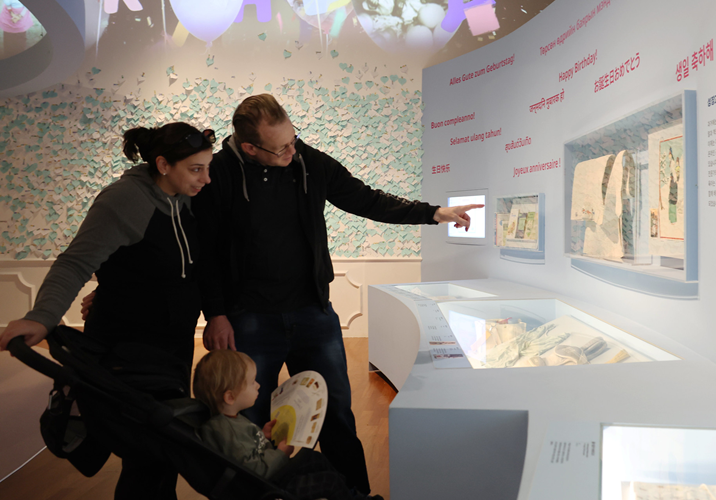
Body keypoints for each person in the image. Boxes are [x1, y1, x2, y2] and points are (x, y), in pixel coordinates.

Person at [193, 93, 482, 495]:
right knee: (250, 421)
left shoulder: (308, 161)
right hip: (249, 317)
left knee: (336, 416)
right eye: (281, 148)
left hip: (313, 313)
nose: (293, 151)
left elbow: (365, 198)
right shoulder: (220, 174)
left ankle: (355, 495)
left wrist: (433, 213)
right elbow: (203, 250)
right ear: (249, 148)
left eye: (294, 139)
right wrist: (217, 313)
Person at [0, 122, 216, 500]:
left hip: (172, 348)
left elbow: (152, 264)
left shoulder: (183, 197)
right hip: (129, 352)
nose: (206, 178)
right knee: (150, 455)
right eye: (196, 169)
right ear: (163, 164)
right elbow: (75, 263)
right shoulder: (126, 199)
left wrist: (112, 285)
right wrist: (41, 317)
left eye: (207, 167)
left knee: (163, 454)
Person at [193, 349, 379, 500]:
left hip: (272, 475)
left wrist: (263, 435)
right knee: (327, 482)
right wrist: (281, 453)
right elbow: (254, 470)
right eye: (251, 383)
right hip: (265, 485)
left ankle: (349, 495)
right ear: (230, 397)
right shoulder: (225, 430)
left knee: (316, 459)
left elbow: (247, 448)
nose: (258, 385)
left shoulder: (230, 419)